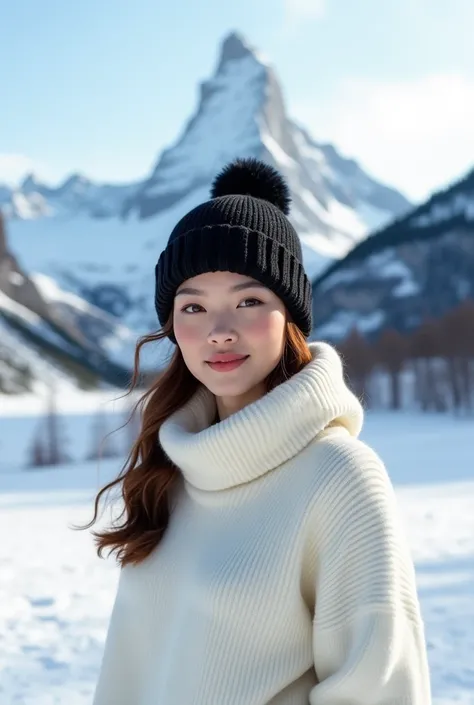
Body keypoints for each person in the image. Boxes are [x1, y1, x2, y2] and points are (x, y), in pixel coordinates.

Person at [88, 158, 432, 704]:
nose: (219, 332)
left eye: (249, 301)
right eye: (193, 306)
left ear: (289, 314)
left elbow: (380, 691)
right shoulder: (170, 470)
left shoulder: (339, 477)